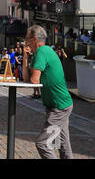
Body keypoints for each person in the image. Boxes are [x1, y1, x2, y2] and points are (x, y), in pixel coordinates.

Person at [23, 25, 74, 159]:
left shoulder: (42, 52)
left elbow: (33, 81)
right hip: (59, 104)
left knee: (43, 144)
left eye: (27, 38)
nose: (25, 41)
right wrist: (25, 57)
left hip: (58, 106)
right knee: (61, 143)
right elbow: (26, 78)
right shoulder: (44, 51)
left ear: (34, 39)